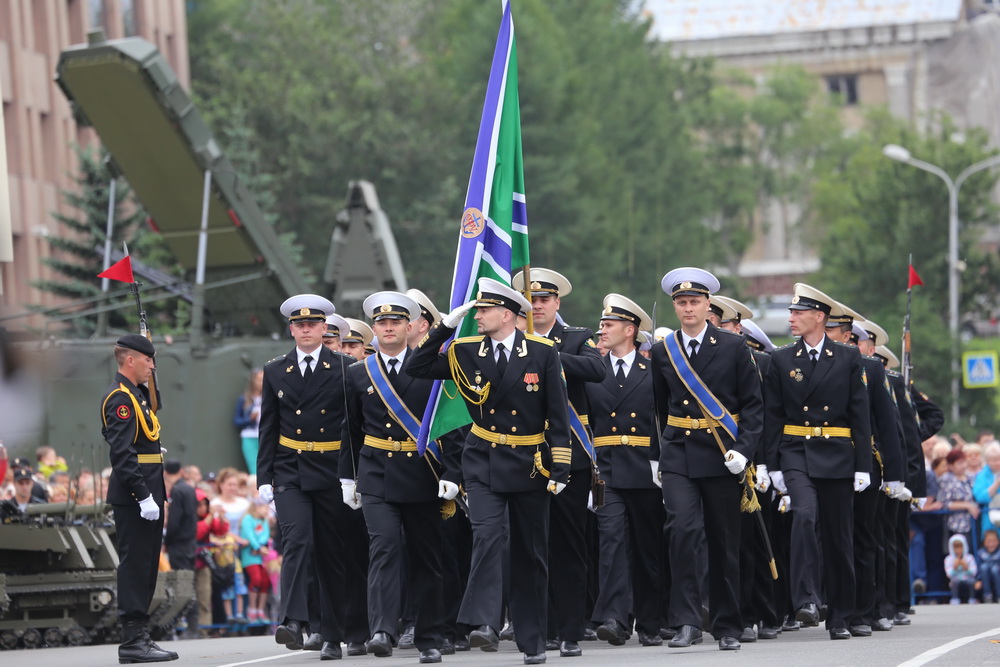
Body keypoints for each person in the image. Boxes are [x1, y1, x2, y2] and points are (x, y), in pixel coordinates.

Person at [408, 277, 571, 665]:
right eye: (477, 309)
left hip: (530, 463)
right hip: (482, 460)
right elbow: (418, 366)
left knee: (531, 553)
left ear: (508, 315)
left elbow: (557, 413)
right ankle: (484, 622)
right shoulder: (465, 350)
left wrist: (561, 467)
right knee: (488, 535)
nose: (477, 316)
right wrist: (446, 327)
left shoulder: (542, 352)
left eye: (483, 310)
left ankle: (532, 639)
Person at [340, 291, 462, 664]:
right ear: (374, 330)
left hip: (422, 474)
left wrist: (454, 473)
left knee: (427, 557)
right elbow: (352, 431)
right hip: (377, 475)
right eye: (381, 323)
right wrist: (349, 478)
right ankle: (382, 630)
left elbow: (451, 426)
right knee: (385, 548)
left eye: (395, 322)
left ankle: (429, 636)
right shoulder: (358, 373)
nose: (388, 328)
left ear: (410, 327)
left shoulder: (430, 369)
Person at [652, 268, 763, 651]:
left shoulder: (733, 347)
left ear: (707, 305)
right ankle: (685, 621)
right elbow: (657, 406)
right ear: (675, 306)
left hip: (721, 454)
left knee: (723, 539)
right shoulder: (662, 351)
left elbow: (753, 406)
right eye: (681, 303)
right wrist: (657, 457)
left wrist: (744, 451)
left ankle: (728, 623)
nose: (687, 308)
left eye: (694, 302)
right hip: (680, 452)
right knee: (682, 533)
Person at [763, 284, 871, 641]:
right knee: (804, 514)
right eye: (791, 313)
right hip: (796, 451)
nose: (791, 318)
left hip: (838, 454)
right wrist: (772, 465)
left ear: (819, 317)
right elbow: (773, 415)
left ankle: (841, 615)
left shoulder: (847, 357)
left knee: (839, 539)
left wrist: (863, 466)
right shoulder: (781, 359)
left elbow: (860, 413)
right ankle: (807, 599)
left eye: (798, 313)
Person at [512, 268, 605, 658]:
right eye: (531, 300)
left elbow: (597, 370)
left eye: (544, 300)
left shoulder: (576, 338)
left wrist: (547, 353)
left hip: (569, 455)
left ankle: (570, 629)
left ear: (557, 303)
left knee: (568, 544)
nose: (537, 305)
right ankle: (540, 629)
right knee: (533, 547)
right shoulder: (509, 343)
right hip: (524, 457)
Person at [257, 294, 354, 661]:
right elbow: (268, 425)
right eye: (299, 324)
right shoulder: (275, 370)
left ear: (325, 327)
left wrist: (352, 475)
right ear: (291, 329)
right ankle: (294, 621)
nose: (306, 329)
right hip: (290, 469)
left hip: (331, 469)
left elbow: (353, 425)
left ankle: (331, 634)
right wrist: (263, 476)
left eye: (312, 324)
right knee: (296, 542)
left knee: (331, 553)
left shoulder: (344, 367)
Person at [586, 294, 664, 648]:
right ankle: (616, 618)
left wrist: (662, 464)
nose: (602, 329)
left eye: (610, 324)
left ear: (630, 330)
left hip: (644, 469)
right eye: (602, 323)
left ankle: (651, 620)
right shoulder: (593, 371)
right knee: (612, 543)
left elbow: (663, 422)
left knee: (648, 546)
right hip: (607, 472)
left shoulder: (652, 373)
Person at [100, 333, 178, 663]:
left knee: (146, 567)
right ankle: (132, 640)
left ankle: (140, 635)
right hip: (136, 495)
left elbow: (141, 443)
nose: (152, 365)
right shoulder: (120, 399)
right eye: (148, 359)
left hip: (147, 491)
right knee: (135, 567)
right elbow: (121, 453)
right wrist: (143, 495)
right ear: (130, 360)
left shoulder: (137, 396)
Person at [241, 497, 272, 623]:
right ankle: (252, 609)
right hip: (249, 556)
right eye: (265, 507)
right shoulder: (247, 519)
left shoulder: (264, 521)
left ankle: (260, 610)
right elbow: (249, 535)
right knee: (256, 579)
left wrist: (260, 547)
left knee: (265, 581)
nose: (267, 510)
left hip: (260, 557)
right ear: (256, 507)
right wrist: (258, 547)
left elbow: (265, 535)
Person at [938, 449, 979, 542]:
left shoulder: (970, 477)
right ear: (951, 465)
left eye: (964, 462)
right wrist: (967, 505)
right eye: (960, 463)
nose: (964, 466)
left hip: (973, 522)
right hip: (956, 525)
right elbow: (944, 503)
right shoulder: (946, 479)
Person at [233, 370, 264, 474]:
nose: (262, 382)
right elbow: (237, 421)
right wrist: (250, 419)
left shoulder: (270, 398)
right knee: (254, 469)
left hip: (266, 437)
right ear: (253, 381)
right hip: (250, 437)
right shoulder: (244, 399)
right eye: (259, 380)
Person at [973, 442, 1000, 537]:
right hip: (989, 520)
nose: (997, 463)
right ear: (987, 461)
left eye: (999, 459)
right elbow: (980, 497)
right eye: (993, 460)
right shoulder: (981, 476)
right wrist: (997, 484)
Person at [944, 534, 977, 604]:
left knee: (971, 582)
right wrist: (954, 568)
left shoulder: (969, 557)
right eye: (956, 548)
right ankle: (955, 598)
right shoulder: (948, 559)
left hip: (967, 578)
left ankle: (972, 598)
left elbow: (974, 572)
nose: (958, 550)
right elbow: (949, 574)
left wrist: (966, 568)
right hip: (956, 579)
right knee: (954, 582)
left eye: (960, 547)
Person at [977, 529, 1000, 603]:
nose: (991, 544)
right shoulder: (981, 553)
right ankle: (987, 595)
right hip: (985, 576)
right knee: (984, 567)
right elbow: (978, 567)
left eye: (993, 542)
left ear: (998, 541)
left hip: (997, 575)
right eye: (988, 542)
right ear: (984, 542)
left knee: (995, 569)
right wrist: (978, 579)